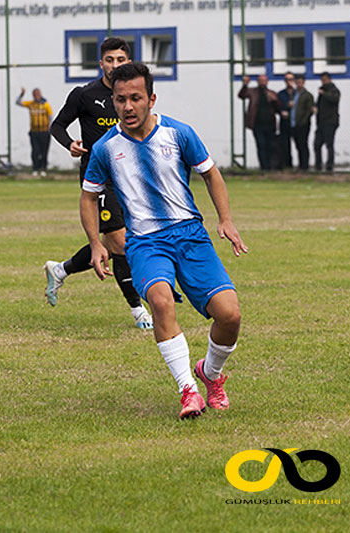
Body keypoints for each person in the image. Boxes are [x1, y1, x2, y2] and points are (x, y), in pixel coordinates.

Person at [80, 62, 247, 419]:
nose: (127, 106)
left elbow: (211, 174)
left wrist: (226, 220)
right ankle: (188, 389)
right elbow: (89, 196)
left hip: (189, 234)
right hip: (145, 241)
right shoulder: (106, 149)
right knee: (160, 301)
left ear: (151, 99)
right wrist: (96, 243)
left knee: (230, 315)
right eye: (120, 99)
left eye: (135, 98)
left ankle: (210, 373)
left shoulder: (179, 133)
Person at [46, 37, 153, 330]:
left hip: (129, 178)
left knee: (112, 242)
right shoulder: (84, 94)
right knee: (119, 242)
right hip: (99, 178)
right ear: (101, 63)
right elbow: (57, 125)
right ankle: (138, 310)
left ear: (128, 62)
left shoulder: (136, 95)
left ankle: (60, 270)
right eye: (109, 60)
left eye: (120, 60)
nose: (114, 65)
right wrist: (70, 144)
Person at [238, 74, 280, 171]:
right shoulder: (253, 92)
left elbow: (278, 107)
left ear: (267, 81)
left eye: (264, 80)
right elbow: (241, 95)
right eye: (260, 80)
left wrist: (274, 100)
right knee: (261, 145)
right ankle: (264, 167)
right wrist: (245, 85)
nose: (262, 82)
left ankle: (270, 166)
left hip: (270, 124)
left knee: (270, 145)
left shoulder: (271, 93)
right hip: (257, 124)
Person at [16, 87, 53, 176]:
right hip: (34, 132)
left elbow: (51, 116)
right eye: (35, 95)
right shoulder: (31, 104)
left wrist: (50, 128)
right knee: (35, 151)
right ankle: (35, 168)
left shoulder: (45, 105)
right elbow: (18, 102)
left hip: (44, 131)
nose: (37, 96)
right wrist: (21, 94)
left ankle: (43, 168)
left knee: (44, 151)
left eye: (38, 94)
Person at [314, 72, 340, 172]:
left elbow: (334, 99)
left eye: (325, 79)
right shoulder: (322, 90)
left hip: (330, 121)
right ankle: (318, 165)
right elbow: (319, 104)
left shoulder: (334, 90)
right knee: (317, 144)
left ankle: (329, 166)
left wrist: (324, 94)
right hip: (321, 121)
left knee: (329, 144)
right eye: (322, 80)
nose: (323, 82)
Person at [291, 74, 314, 171]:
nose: (298, 83)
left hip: (302, 124)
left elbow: (309, 110)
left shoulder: (307, 95)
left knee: (303, 144)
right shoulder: (293, 94)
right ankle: (300, 164)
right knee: (297, 145)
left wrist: (303, 121)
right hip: (293, 123)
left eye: (300, 82)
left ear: (303, 82)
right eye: (297, 82)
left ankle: (304, 165)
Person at [276, 72, 296, 170]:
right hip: (285, 122)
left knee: (300, 144)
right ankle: (287, 164)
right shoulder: (281, 94)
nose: (289, 82)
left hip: (297, 123)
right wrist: (283, 109)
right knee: (285, 144)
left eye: (291, 79)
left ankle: (302, 166)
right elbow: (278, 107)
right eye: (287, 79)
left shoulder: (298, 93)